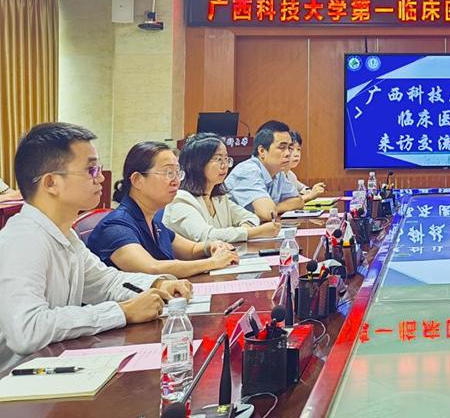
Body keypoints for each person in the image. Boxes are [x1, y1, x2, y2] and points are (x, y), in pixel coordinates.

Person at [0, 123, 192, 371]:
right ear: (51, 183)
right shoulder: (24, 239)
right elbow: (28, 330)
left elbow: (105, 282)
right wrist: (120, 312)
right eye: (91, 170)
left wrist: (157, 285)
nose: (101, 177)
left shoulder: (64, 234)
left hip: (49, 367)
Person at [88, 142, 239, 278]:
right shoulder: (116, 226)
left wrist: (212, 246)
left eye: (177, 173)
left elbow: (192, 250)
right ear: (137, 180)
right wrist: (213, 262)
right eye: (168, 173)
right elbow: (152, 268)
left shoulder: (153, 221)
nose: (176, 181)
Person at [162, 133, 281, 243]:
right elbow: (207, 236)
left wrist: (243, 230)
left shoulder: (219, 198)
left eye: (226, 159)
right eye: (218, 159)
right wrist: (254, 232)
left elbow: (250, 217)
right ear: (198, 163)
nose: (225, 165)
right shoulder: (180, 200)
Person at [225, 120, 304, 221]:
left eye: (290, 148)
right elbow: (267, 214)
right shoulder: (248, 171)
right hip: (233, 229)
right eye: (282, 147)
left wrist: (275, 208)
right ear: (262, 151)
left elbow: (299, 201)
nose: (288, 153)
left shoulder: (278, 173)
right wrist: (275, 209)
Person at [286, 130, 326, 203]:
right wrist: (309, 196)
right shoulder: (277, 175)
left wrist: (313, 190)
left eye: (298, 149)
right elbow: (285, 203)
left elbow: (305, 189)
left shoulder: (291, 175)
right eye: (291, 149)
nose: (296, 154)